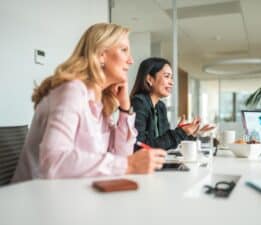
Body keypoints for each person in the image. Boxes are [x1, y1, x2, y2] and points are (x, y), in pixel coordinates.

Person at [12, 23, 166, 182]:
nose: (131, 60)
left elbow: (120, 155)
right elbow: (53, 161)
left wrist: (125, 110)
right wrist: (127, 165)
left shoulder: (100, 101)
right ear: (101, 55)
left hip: (71, 193)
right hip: (34, 198)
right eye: (124, 50)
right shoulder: (73, 91)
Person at [130, 57, 213, 151]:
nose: (172, 82)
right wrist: (180, 133)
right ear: (150, 79)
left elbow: (163, 144)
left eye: (171, 77)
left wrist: (190, 133)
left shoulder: (160, 106)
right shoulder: (139, 103)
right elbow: (139, 146)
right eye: (166, 76)